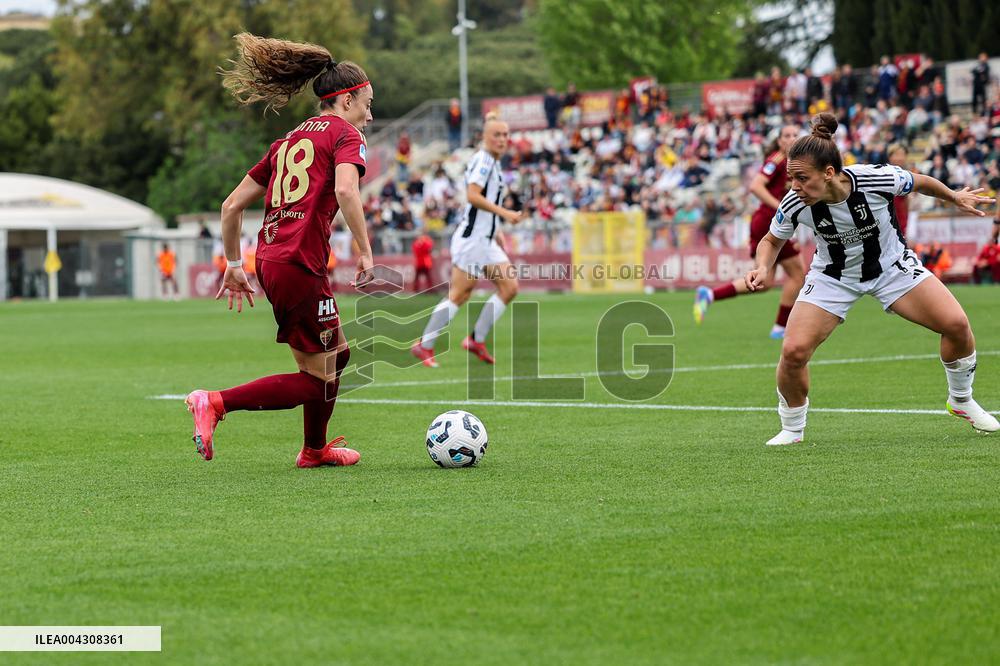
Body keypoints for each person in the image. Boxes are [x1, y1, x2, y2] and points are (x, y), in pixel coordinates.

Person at [746, 113, 998, 446]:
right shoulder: (795, 202)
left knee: (956, 325)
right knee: (793, 352)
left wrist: (954, 196)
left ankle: (961, 400)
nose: (794, 187)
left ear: (830, 173)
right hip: (832, 277)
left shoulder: (875, 178)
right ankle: (792, 429)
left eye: (802, 179)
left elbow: (919, 181)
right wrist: (763, 267)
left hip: (891, 267)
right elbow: (771, 241)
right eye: (792, 179)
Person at [185, 33, 376, 468]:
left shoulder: (287, 140)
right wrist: (365, 249)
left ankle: (314, 450)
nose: (369, 113)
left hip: (274, 258)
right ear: (345, 100)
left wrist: (235, 264)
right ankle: (214, 402)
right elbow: (347, 189)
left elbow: (231, 205)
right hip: (298, 263)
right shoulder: (345, 134)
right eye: (366, 102)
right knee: (315, 380)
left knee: (336, 356)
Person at [412, 112, 525, 367]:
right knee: (460, 294)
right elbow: (473, 196)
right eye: (496, 134)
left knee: (510, 288)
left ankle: (476, 339)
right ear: (484, 137)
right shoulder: (483, 161)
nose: (502, 139)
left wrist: (497, 231)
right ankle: (424, 345)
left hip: (485, 239)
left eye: (505, 134)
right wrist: (505, 214)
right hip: (472, 240)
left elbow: (485, 204)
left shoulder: (493, 163)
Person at [695, 125, 804, 339]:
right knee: (797, 274)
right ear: (779, 141)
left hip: (769, 221)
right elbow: (756, 186)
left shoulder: (793, 163)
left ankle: (709, 294)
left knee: (764, 282)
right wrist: (781, 208)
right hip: (767, 221)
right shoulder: (777, 160)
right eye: (786, 135)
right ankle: (780, 328)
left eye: (795, 135)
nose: (791, 139)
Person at [887, 143, 911, 238]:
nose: (900, 158)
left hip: (902, 212)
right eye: (897, 154)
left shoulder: (909, 173)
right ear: (890, 157)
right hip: (889, 211)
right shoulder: (885, 172)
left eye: (902, 154)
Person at [972, 52, 991, 117]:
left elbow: (985, 75)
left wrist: (982, 74)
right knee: (975, 100)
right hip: (976, 84)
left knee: (983, 100)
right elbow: (973, 71)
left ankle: (983, 113)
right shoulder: (977, 65)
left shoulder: (986, 66)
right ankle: (975, 112)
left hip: (982, 85)